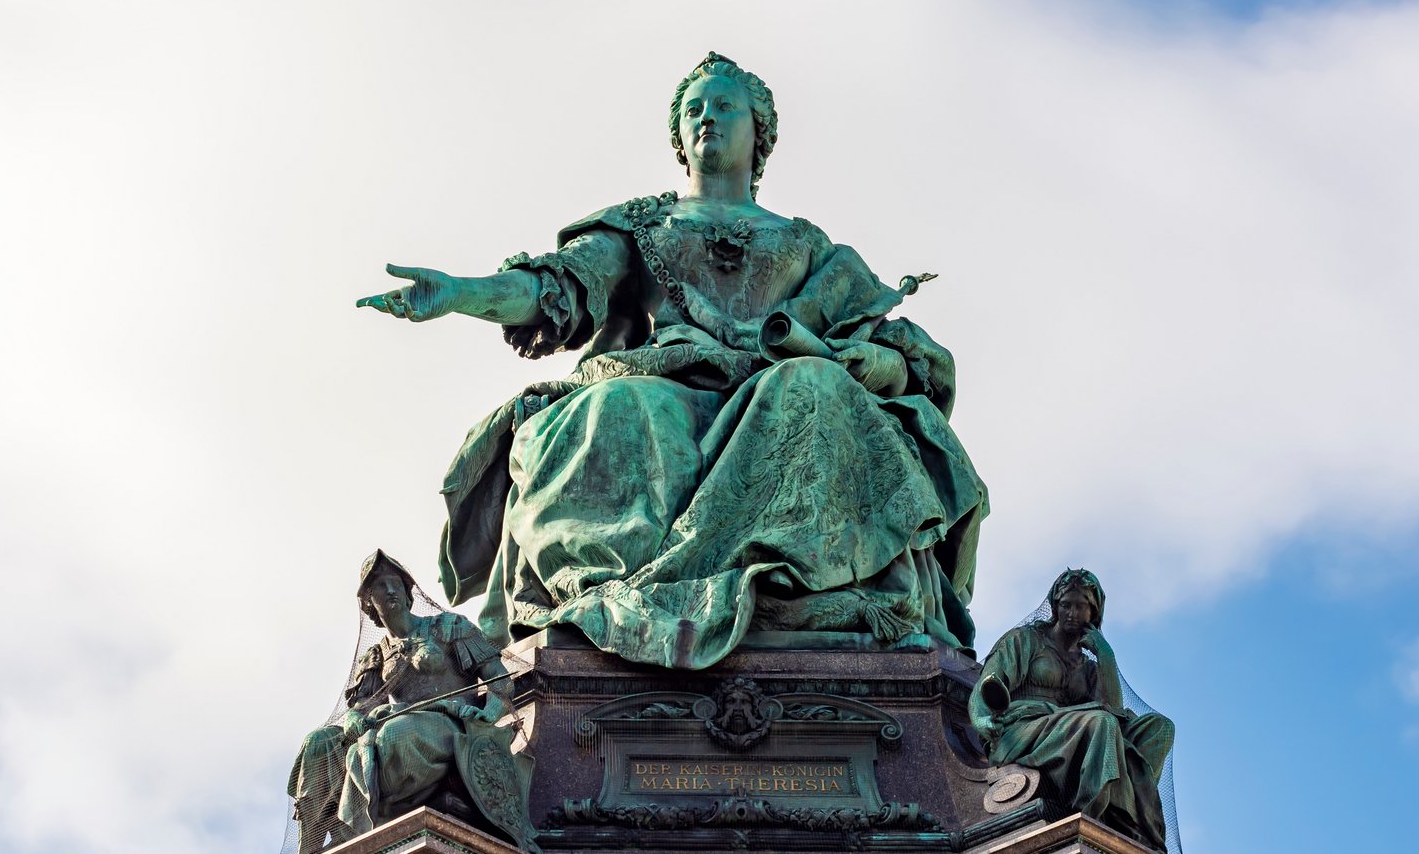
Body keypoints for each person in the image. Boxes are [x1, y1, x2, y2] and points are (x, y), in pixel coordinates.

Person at [358, 52, 989, 669]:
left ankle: (783, 584)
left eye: (723, 105)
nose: (706, 117)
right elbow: (559, 286)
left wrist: (865, 361)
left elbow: (883, 338)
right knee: (616, 411)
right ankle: (616, 596)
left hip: (774, 382)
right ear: (679, 136)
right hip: (660, 378)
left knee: (815, 386)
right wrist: (461, 294)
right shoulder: (641, 225)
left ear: (759, 130)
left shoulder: (807, 244)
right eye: (692, 109)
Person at [287, 551, 537, 853]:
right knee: (317, 744)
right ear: (370, 604)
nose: (391, 591)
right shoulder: (377, 656)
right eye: (380, 587)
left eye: (396, 584)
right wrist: (354, 717)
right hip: (401, 721)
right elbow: (361, 707)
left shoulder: (449, 627)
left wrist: (488, 713)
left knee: (393, 736)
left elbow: (500, 681)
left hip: (455, 726)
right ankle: (311, 846)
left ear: (408, 596)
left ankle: (357, 826)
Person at [969, 569, 1174, 850]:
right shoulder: (1026, 639)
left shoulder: (1089, 668)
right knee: (1102, 724)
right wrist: (981, 719)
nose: (1071, 613)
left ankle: (1123, 816)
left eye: (1081, 606)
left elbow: (1113, 709)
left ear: (1094, 613)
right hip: (1021, 731)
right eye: (1066, 604)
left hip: (1071, 734)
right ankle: (1091, 815)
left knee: (1159, 728)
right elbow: (988, 683)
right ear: (1055, 606)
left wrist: (1106, 656)